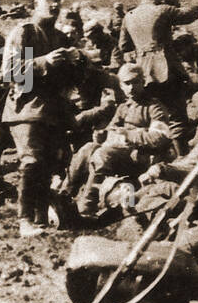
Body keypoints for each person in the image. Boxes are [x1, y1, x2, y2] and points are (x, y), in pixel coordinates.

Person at [1, 0, 78, 237]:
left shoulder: (60, 37)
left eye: (58, 0)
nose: (55, 5)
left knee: (48, 165)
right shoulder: (24, 32)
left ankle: (41, 220)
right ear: (35, 2)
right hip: (26, 108)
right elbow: (9, 71)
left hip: (52, 110)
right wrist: (43, 62)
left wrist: (75, 62)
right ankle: (25, 221)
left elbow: (68, 81)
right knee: (31, 162)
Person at [72, 62, 180, 218]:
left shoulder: (154, 107)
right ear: (121, 86)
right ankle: (66, 193)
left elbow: (159, 137)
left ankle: (88, 204)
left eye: (135, 82)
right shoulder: (124, 107)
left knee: (103, 154)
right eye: (126, 83)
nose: (131, 87)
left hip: (144, 158)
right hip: (124, 153)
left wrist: (129, 135)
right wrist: (102, 134)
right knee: (89, 147)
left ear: (143, 82)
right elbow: (112, 129)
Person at [115, 0, 198, 116]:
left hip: (143, 70)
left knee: (152, 107)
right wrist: (192, 4)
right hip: (167, 67)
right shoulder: (164, 10)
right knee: (176, 110)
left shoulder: (129, 15)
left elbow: (124, 46)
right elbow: (190, 15)